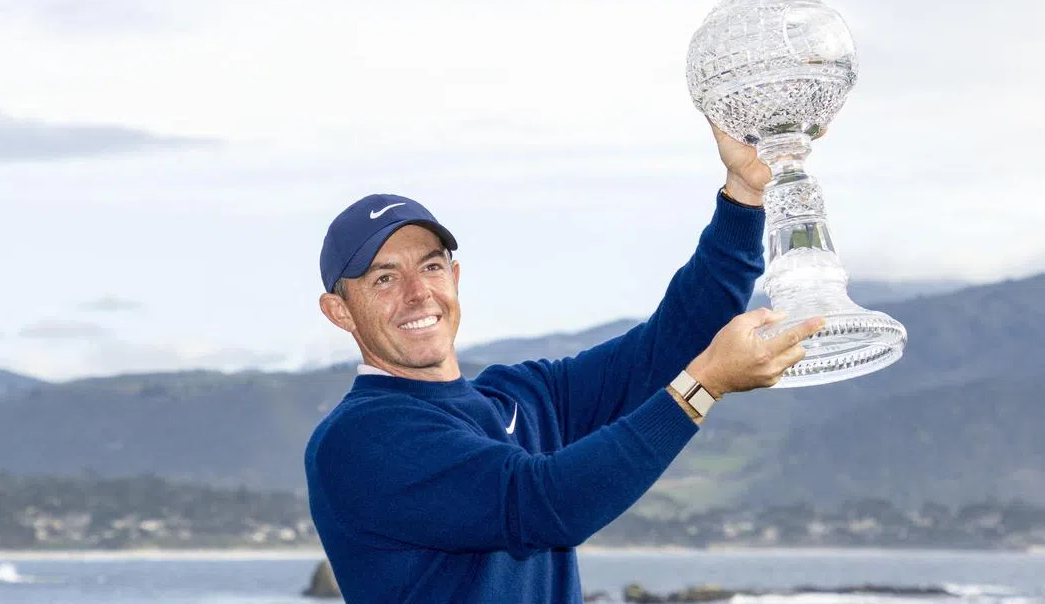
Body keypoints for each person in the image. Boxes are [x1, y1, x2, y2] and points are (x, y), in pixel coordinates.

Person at [304, 123, 825, 603]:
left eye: (431, 267)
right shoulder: (358, 439)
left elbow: (672, 342)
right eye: (385, 279)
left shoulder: (522, 397)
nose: (419, 294)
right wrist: (704, 384)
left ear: (455, 279)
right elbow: (541, 505)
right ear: (340, 312)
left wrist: (744, 194)